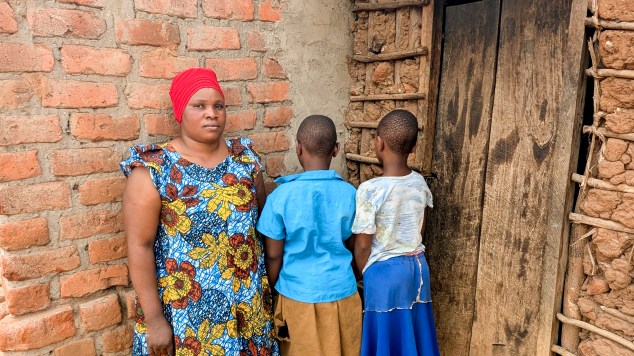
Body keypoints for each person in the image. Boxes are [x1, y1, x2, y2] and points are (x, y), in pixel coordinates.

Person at [120, 68, 279, 356]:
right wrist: (155, 320)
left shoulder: (245, 160)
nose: (212, 114)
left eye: (218, 105)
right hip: (186, 315)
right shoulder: (154, 171)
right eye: (199, 106)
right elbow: (139, 246)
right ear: (180, 112)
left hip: (248, 307)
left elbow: (261, 227)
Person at [256, 115, 362, 356]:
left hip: (296, 296)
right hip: (343, 294)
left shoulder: (279, 199)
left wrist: (274, 290)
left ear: (298, 147)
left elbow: (273, 256)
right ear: (336, 150)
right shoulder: (350, 195)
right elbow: (356, 245)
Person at [352, 109, 440, 356]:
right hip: (419, 268)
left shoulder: (370, 190)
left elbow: (362, 245)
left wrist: (365, 272)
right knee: (415, 334)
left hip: (385, 273)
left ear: (378, 143)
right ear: (414, 147)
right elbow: (420, 229)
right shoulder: (419, 183)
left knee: (386, 341)